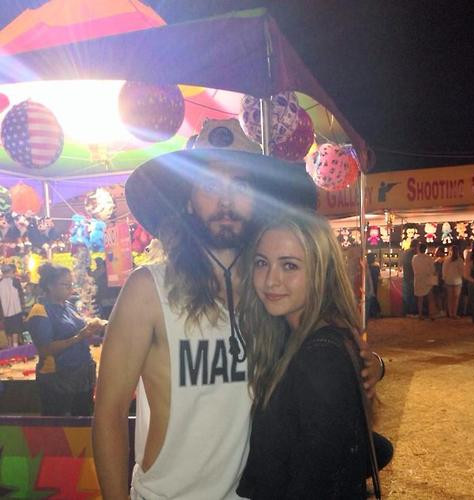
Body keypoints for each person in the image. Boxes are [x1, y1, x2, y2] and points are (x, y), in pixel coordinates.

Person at [92, 118, 386, 499]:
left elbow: (313, 356)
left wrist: (369, 365)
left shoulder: (268, 291)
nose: (226, 200)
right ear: (188, 200)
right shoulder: (149, 289)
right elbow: (110, 413)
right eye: (210, 185)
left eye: (240, 186)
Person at [237, 210, 382, 499]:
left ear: (322, 272)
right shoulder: (293, 336)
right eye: (262, 263)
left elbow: (317, 480)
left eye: (289, 266)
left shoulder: (320, 356)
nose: (271, 281)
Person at [27, 263, 106, 416]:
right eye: (65, 285)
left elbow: (79, 325)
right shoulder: (40, 311)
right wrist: (78, 337)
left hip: (81, 376)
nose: (70, 289)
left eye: (71, 284)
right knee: (60, 423)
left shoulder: (68, 306)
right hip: (58, 379)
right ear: (50, 286)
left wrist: (93, 326)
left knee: (83, 419)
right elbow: (45, 349)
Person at [0, 263, 25, 347]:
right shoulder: (15, 281)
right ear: (10, 271)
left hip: (4, 313)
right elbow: (21, 296)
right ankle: (15, 347)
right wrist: (23, 309)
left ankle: (10, 348)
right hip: (16, 311)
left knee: (8, 332)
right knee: (15, 331)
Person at [412, 242, 436, 320]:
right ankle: (431, 314)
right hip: (428, 279)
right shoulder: (429, 258)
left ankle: (420, 314)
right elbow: (433, 269)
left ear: (418, 249)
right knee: (430, 297)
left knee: (420, 298)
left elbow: (414, 268)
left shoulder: (414, 258)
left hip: (418, 279)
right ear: (425, 249)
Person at [442, 245, 464, 319]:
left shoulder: (447, 260)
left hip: (449, 280)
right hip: (457, 280)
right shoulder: (460, 260)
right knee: (456, 298)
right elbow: (462, 271)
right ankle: (454, 313)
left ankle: (450, 313)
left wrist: (444, 279)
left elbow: (444, 271)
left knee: (450, 298)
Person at [401, 239, 418, 317]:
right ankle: (412, 312)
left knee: (407, 295)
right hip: (411, 276)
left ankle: (406, 311)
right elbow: (413, 265)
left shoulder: (405, 252)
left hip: (406, 276)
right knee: (412, 295)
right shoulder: (413, 253)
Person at [432, 246, 447, 317]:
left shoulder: (438, 261)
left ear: (441, 252)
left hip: (439, 280)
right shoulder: (446, 260)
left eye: (437, 251)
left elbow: (436, 271)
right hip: (444, 279)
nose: (435, 252)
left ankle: (441, 310)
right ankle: (444, 310)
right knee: (443, 296)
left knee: (438, 295)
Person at [367, 252, 381, 318]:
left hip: (369, 284)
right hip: (375, 283)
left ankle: (374, 312)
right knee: (373, 296)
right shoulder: (376, 267)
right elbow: (379, 275)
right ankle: (375, 312)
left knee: (371, 297)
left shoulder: (368, 267)